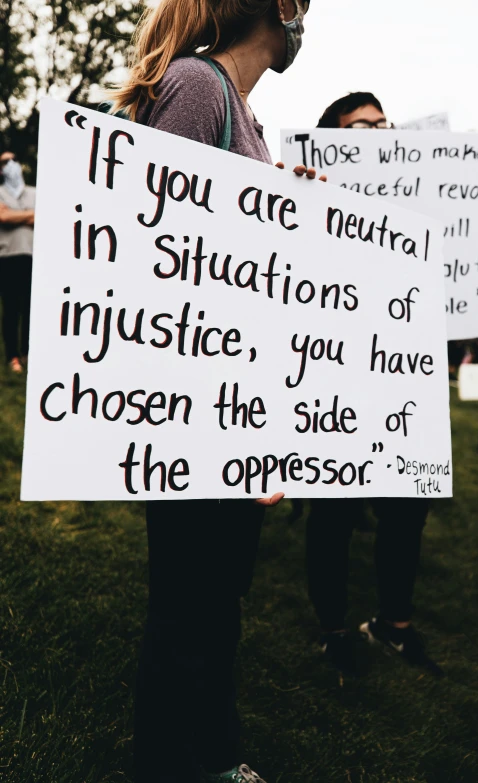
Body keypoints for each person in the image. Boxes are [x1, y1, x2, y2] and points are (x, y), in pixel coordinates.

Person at [108, 2, 323, 781]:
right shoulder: (200, 89)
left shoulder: (246, 115)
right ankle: (170, 763)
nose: (310, 20)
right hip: (191, 414)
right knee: (188, 606)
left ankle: (214, 755)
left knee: (217, 598)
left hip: (231, 414)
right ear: (278, 8)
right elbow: (148, 246)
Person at [307, 92, 442, 679]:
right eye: (359, 128)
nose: (376, 134)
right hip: (336, 375)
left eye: (383, 126)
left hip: (405, 380)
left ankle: (393, 623)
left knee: (407, 510)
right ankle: (334, 629)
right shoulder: (309, 201)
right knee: (334, 511)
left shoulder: (419, 209)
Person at [0, 151, 35, 373]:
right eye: (5, 162)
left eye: (14, 159)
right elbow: (2, 217)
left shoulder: (34, 191)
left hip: (33, 256)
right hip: (7, 257)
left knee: (31, 308)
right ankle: (12, 355)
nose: (11, 164)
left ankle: (28, 352)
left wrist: (13, 214)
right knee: (11, 309)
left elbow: (48, 215)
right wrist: (30, 215)